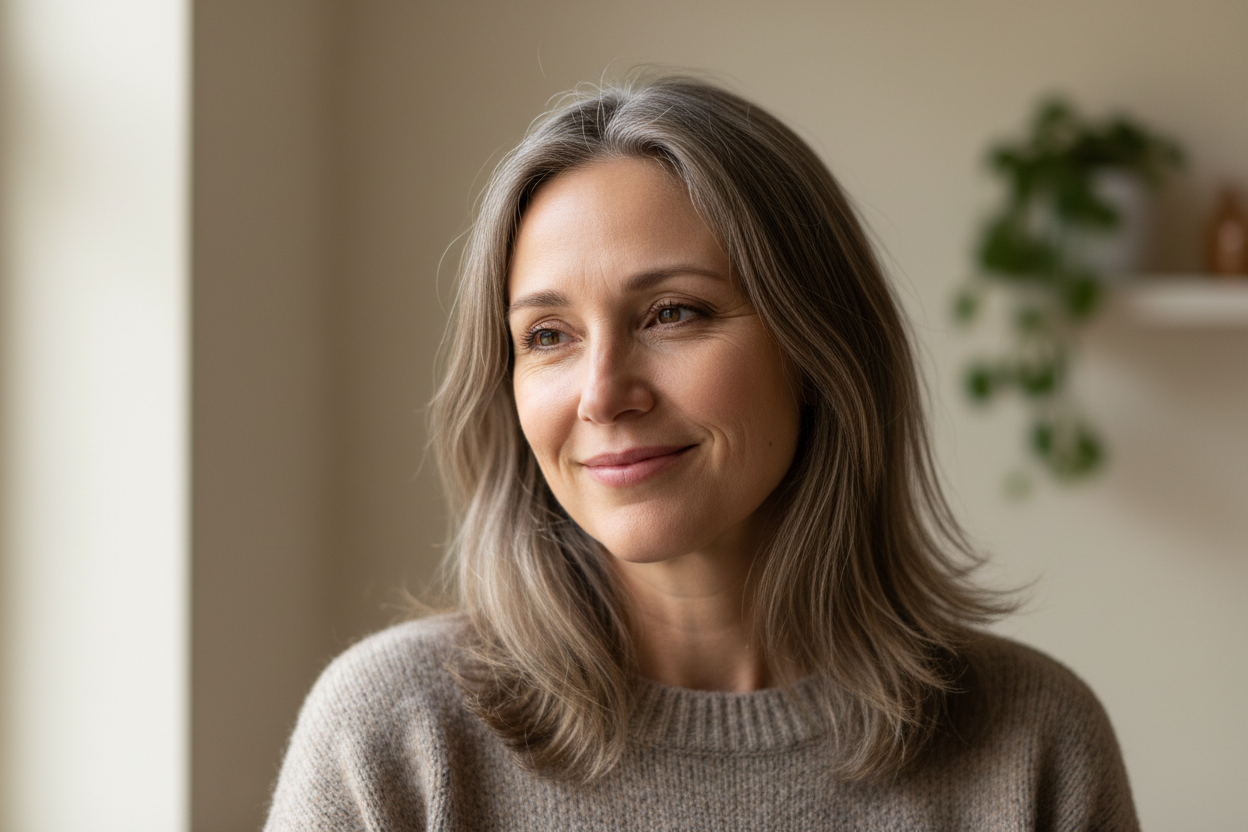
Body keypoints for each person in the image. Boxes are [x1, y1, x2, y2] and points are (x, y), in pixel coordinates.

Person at [264, 76, 1139, 830]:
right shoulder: (396, 737)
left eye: (672, 313)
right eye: (548, 335)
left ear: (816, 350)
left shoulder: (1033, 745)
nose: (603, 394)